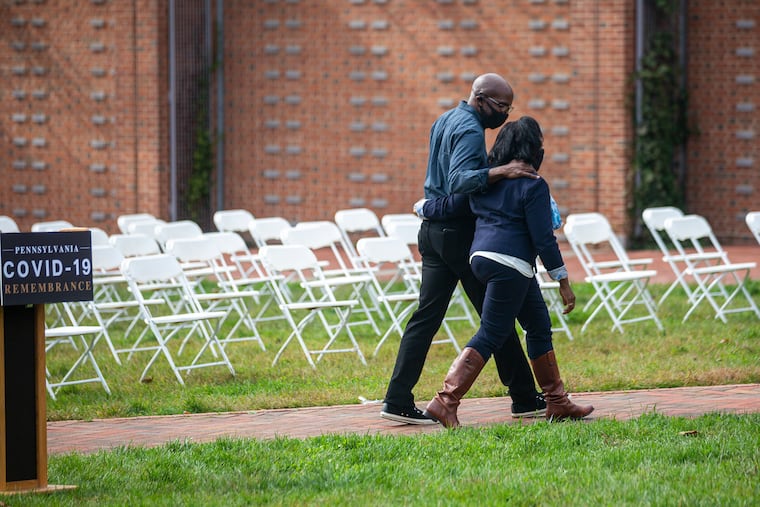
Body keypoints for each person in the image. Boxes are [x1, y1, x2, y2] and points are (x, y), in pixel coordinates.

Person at [380, 73, 546, 425]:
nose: (504, 114)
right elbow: (459, 181)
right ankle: (524, 398)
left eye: (509, 108)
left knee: (426, 318)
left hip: (433, 232)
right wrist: (505, 170)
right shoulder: (470, 129)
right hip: (457, 233)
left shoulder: (445, 119)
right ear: (481, 99)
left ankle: (396, 399)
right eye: (501, 107)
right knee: (496, 318)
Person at [424, 116, 594, 427]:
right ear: (534, 150)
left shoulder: (487, 183)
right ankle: (445, 400)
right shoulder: (533, 185)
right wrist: (563, 280)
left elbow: (451, 205)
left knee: (539, 326)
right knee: (492, 332)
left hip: (484, 259)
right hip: (510, 263)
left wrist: (422, 208)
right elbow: (544, 239)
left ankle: (557, 402)